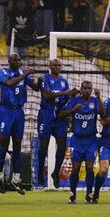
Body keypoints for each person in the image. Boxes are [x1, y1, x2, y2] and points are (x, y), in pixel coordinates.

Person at [0, 53, 40, 194]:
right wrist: (26, 74)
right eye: (15, 60)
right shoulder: (4, 72)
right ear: (9, 61)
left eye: (19, 59)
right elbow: (10, 83)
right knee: (4, 144)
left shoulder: (22, 73)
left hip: (19, 112)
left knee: (18, 146)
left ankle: (16, 180)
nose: (18, 62)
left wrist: (40, 81)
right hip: (5, 111)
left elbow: (35, 88)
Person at [58, 81, 105, 204]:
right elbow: (61, 114)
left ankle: (89, 194)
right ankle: (72, 194)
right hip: (77, 140)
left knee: (90, 167)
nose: (87, 90)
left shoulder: (95, 101)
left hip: (91, 140)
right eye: (85, 88)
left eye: (89, 88)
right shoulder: (74, 100)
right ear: (81, 89)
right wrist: (74, 109)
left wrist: (99, 97)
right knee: (75, 168)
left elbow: (103, 114)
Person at [37, 58, 78, 188]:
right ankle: (39, 171)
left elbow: (65, 99)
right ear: (50, 66)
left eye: (59, 65)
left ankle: (55, 173)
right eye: (54, 65)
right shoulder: (45, 78)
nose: (56, 67)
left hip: (59, 116)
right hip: (46, 114)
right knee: (43, 146)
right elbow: (48, 96)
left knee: (62, 146)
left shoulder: (64, 81)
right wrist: (66, 92)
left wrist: (72, 95)